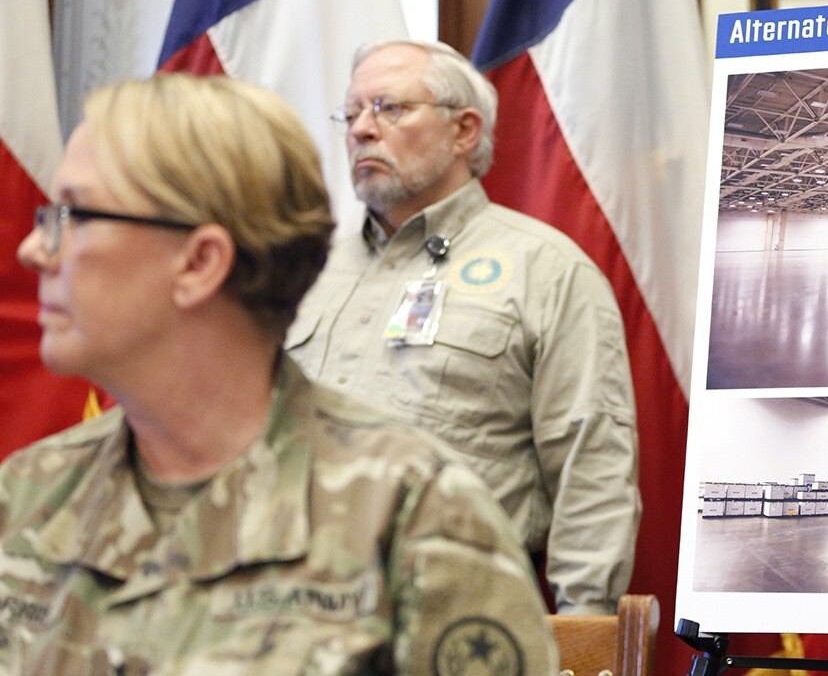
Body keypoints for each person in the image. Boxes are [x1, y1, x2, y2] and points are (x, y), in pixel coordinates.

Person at [3, 73, 558, 674]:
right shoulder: (27, 494)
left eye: (72, 215)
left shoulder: (414, 515)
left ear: (199, 263)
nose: (34, 249)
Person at [286, 40, 641, 616]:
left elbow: (591, 464)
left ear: (464, 131)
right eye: (351, 114)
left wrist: (583, 628)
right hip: (290, 616)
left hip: (457, 615)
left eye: (389, 107)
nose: (361, 131)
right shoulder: (307, 269)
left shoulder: (546, 269)